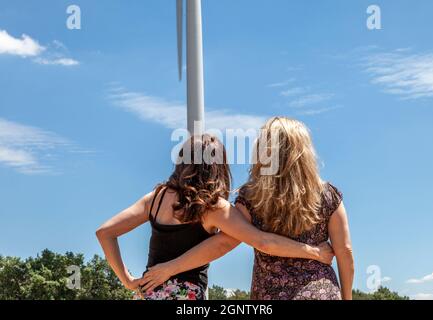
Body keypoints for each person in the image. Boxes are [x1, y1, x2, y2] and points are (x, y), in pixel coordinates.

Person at [96, 133, 334, 300]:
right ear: (217, 166)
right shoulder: (214, 208)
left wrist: (127, 280)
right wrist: (313, 251)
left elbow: (105, 232)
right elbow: (262, 242)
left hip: (149, 293)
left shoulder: (156, 197)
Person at [143, 117, 354, 300]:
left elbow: (225, 241)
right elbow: (345, 252)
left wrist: (171, 267)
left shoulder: (252, 197)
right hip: (322, 291)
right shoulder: (329, 195)